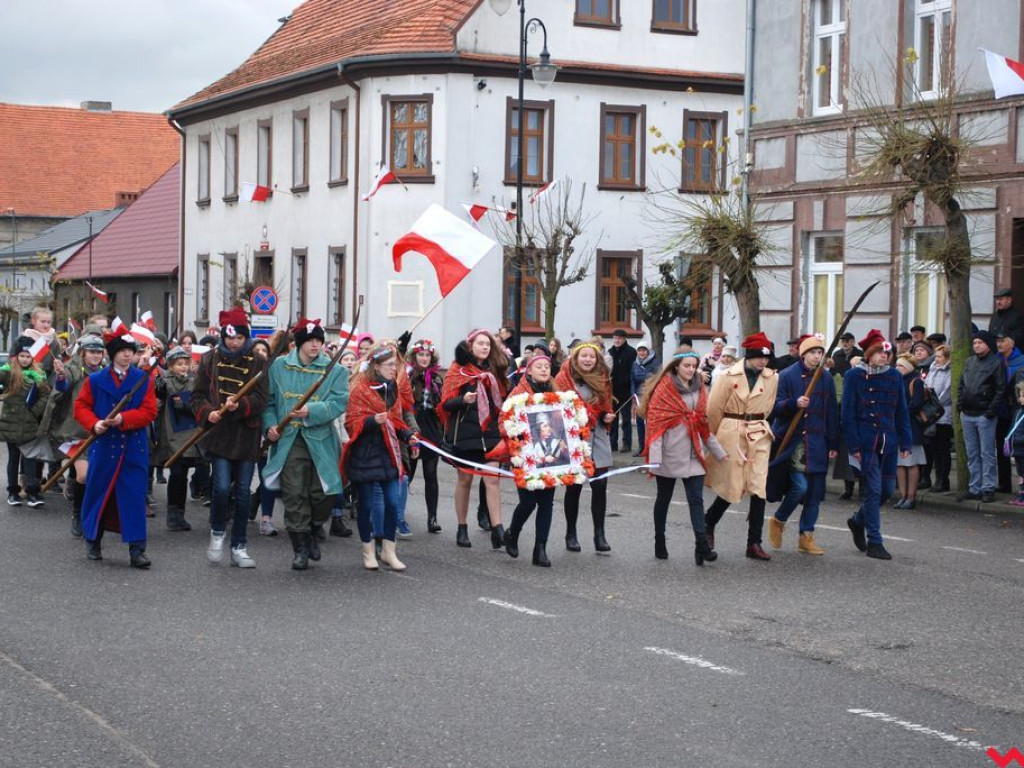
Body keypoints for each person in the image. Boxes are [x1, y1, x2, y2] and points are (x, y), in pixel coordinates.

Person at [264, 319, 349, 570]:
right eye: (311, 340)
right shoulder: (279, 367)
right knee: (294, 494)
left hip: (320, 440)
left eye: (319, 340)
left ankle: (313, 528)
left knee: (324, 493)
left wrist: (311, 410)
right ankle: (300, 548)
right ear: (299, 343)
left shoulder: (335, 370)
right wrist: (269, 426)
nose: (315, 345)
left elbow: (338, 403)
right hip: (290, 439)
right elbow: (268, 402)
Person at [74, 329, 158, 567]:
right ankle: (93, 540)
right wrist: (94, 423)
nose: (126, 356)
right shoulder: (96, 380)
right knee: (99, 494)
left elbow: (150, 411)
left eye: (130, 351)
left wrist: (125, 418)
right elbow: (81, 407)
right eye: (121, 351)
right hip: (104, 445)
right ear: (112, 355)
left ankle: (137, 549)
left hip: (133, 447)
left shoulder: (143, 379)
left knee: (133, 497)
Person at [192, 308, 269, 568]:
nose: (234, 343)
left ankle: (239, 546)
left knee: (244, 494)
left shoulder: (258, 362)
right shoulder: (209, 360)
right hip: (220, 435)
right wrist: (207, 412)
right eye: (229, 338)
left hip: (246, 435)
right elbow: (197, 396)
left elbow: (262, 398)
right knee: (222, 488)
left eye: (238, 338)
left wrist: (242, 405)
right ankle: (217, 533)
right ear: (223, 337)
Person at [639, 350, 726, 564]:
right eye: (686, 365)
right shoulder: (665, 388)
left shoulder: (699, 387)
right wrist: (655, 458)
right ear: (676, 366)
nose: (690, 369)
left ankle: (701, 546)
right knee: (664, 499)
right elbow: (656, 424)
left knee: (696, 500)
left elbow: (702, 423)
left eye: (693, 365)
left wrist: (718, 452)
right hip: (668, 453)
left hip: (693, 453)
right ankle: (660, 539)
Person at [703, 332, 779, 561]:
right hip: (732, 430)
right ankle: (709, 522)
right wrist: (715, 438)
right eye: (758, 357)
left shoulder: (772, 377)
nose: (762, 362)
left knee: (758, 487)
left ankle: (754, 542)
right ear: (748, 356)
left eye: (766, 358)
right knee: (732, 486)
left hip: (758, 431)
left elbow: (769, 405)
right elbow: (713, 409)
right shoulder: (727, 376)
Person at [342, 343, 417, 571]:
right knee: (365, 505)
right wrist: (370, 421)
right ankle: (367, 550)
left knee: (393, 503)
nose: (395, 369)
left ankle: (388, 551)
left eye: (395, 365)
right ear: (376, 366)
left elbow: (396, 419)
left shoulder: (392, 388)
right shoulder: (359, 388)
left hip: (388, 454)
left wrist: (409, 435)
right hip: (365, 454)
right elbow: (351, 422)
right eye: (390, 365)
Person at [842, 330, 912, 560]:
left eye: (887, 352)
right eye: (880, 352)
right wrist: (852, 446)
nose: (885, 356)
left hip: (889, 440)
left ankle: (857, 521)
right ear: (870, 354)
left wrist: (905, 441)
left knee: (885, 492)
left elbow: (901, 410)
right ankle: (875, 541)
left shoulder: (894, 376)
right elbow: (847, 414)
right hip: (865, 441)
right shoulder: (854, 376)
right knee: (872, 490)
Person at [766, 333, 839, 555]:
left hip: (817, 441)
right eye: (813, 352)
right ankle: (779, 519)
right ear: (804, 354)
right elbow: (774, 407)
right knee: (800, 486)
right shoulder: (787, 375)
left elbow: (831, 412)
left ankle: (806, 537)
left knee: (815, 493)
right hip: (793, 441)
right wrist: (793, 403)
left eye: (820, 352)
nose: (817, 356)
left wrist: (833, 441)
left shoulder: (825, 378)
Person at [440, 329, 509, 549]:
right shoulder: (457, 371)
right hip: (466, 435)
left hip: (490, 434)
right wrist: (463, 399)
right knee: (465, 481)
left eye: (488, 344)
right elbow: (445, 405)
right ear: (471, 346)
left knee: (492, 479)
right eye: (480, 343)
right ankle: (462, 526)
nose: (485, 347)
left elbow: (504, 399)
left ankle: (497, 528)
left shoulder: (495, 370)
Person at [501, 355, 563, 567]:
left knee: (546, 502)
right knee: (528, 502)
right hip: (526, 455)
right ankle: (513, 532)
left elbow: (563, 421)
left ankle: (540, 549)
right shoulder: (518, 393)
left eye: (547, 366)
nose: (545, 370)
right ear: (529, 371)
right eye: (539, 366)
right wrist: (517, 433)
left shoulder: (555, 393)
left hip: (549, 456)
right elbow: (503, 420)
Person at [556, 342, 615, 553]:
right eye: (584, 356)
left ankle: (599, 534)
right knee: (575, 488)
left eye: (592, 356)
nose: (588, 359)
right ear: (575, 358)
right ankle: (571, 533)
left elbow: (605, 406)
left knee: (600, 487)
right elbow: (556, 409)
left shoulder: (603, 379)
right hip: (574, 439)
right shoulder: (563, 379)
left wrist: (606, 415)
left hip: (597, 436)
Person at [48, 334, 106, 535]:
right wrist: (61, 376)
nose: (96, 355)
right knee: (84, 475)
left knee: (99, 478)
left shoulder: (107, 373)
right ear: (83, 353)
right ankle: (78, 514)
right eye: (92, 351)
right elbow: (62, 386)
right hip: (77, 432)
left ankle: (94, 514)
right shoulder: (73, 369)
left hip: (102, 433)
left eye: (99, 352)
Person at [956, 329, 1006, 503]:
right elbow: (962, 384)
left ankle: (988, 488)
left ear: (988, 344)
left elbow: (1000, 389)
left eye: (980, 342)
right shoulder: (969, 361)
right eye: (975, 343)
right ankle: (974, 487)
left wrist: (990, 411)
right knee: (972, 453)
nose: (976, 345)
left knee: (987, 453)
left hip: (984, 415)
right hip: (967, 413)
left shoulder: (996, 363)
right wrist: (960, 404)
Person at [1, 337, 50, 508]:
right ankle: (13, 492)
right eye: (22, 355)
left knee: (30, 458)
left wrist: (35, 410)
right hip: (11, 424)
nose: (25, 359)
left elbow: (45, 395)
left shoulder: (38, 375)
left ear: (33, 358)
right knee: (13, 459)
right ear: (15, 357)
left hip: (29, 424)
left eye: (28, 356)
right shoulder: (8, 372)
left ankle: (32, 492)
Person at [154, 347, 199, 532]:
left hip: (190, 435)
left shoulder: (194, 382)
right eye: (179, 364)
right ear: (171, 366)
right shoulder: (166, 381)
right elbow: (160, 391)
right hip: (172, 435)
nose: (183, 367)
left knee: (184, 473)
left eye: (185, 363)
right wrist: (159, 382)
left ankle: (180, 512)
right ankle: (173, 513)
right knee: (177, 473)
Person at [406, 339, 444, 533]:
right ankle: (398, 513)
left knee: (431, 474)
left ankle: (432, 518)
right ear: (414, 356)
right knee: (408, 474)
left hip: (430, 430)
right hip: (412, 428)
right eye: (421, 354)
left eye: (427, 355)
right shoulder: (407, 376)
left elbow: (441, 407)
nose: (424, 358)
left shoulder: (437, 379)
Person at [893, 354, 926, 510]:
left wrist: (901, 413)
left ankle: (911, 496)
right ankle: (902, 495)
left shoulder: (916, 381)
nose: (897, 368)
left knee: (911, 463)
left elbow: (917, 403)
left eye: (901, 366)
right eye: (897, 365)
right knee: (899, 464)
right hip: (896, 427)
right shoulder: (895, 381)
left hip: (911, 427)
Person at [997, 332, 1024, 493]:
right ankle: (1004, 482)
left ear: (1012, 343)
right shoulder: (996, 360)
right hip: (1000, 411)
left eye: (1003, 341)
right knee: (1002, 447)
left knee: (1019, 449)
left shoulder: (1020, 360)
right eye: (998, 341)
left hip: (1016, 411)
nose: (999, 344)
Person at [924, 345, 953, 493]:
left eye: (940, 356)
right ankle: (937, 478)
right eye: (936, 356)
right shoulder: (933, 369)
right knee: (934, 449)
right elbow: (926, 387)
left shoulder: (950, 372)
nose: (937, 359)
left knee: (943, 449)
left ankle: (943, 479)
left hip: (943, 415)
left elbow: (947, 393)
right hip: (931, 414)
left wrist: (934, 405)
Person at [608, 329, 637, 454]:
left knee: (626, 419)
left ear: (624, 339)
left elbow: (632, 371)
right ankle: (612, 443)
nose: (617, 340)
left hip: (625, 391)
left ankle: (626, 444)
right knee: (613, 419)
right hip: (612, 392)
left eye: (619, 338)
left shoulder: (631, 352)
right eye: (615, 338)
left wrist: (627, 384)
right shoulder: (610, 352)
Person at [631, 344, 660, 456]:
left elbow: (657, 378)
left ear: (648, 351)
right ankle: (641, 447)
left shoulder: (656, 363)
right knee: (639, 423)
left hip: (651, 396)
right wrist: (633, 393)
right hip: (639, 397)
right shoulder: (635, 364)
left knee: (650, 423)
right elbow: (632, 379)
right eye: (639, 350)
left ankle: (651, 447)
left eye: (644, 350)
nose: (642, 353)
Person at [1006, 384, 1024, 505]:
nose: (1020, 398)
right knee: (1020, 472)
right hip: (1017, 448)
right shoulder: (1018, 412)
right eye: (1020, 395)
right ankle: (1021, 493)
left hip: (1021, 446)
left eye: (1023, 396)